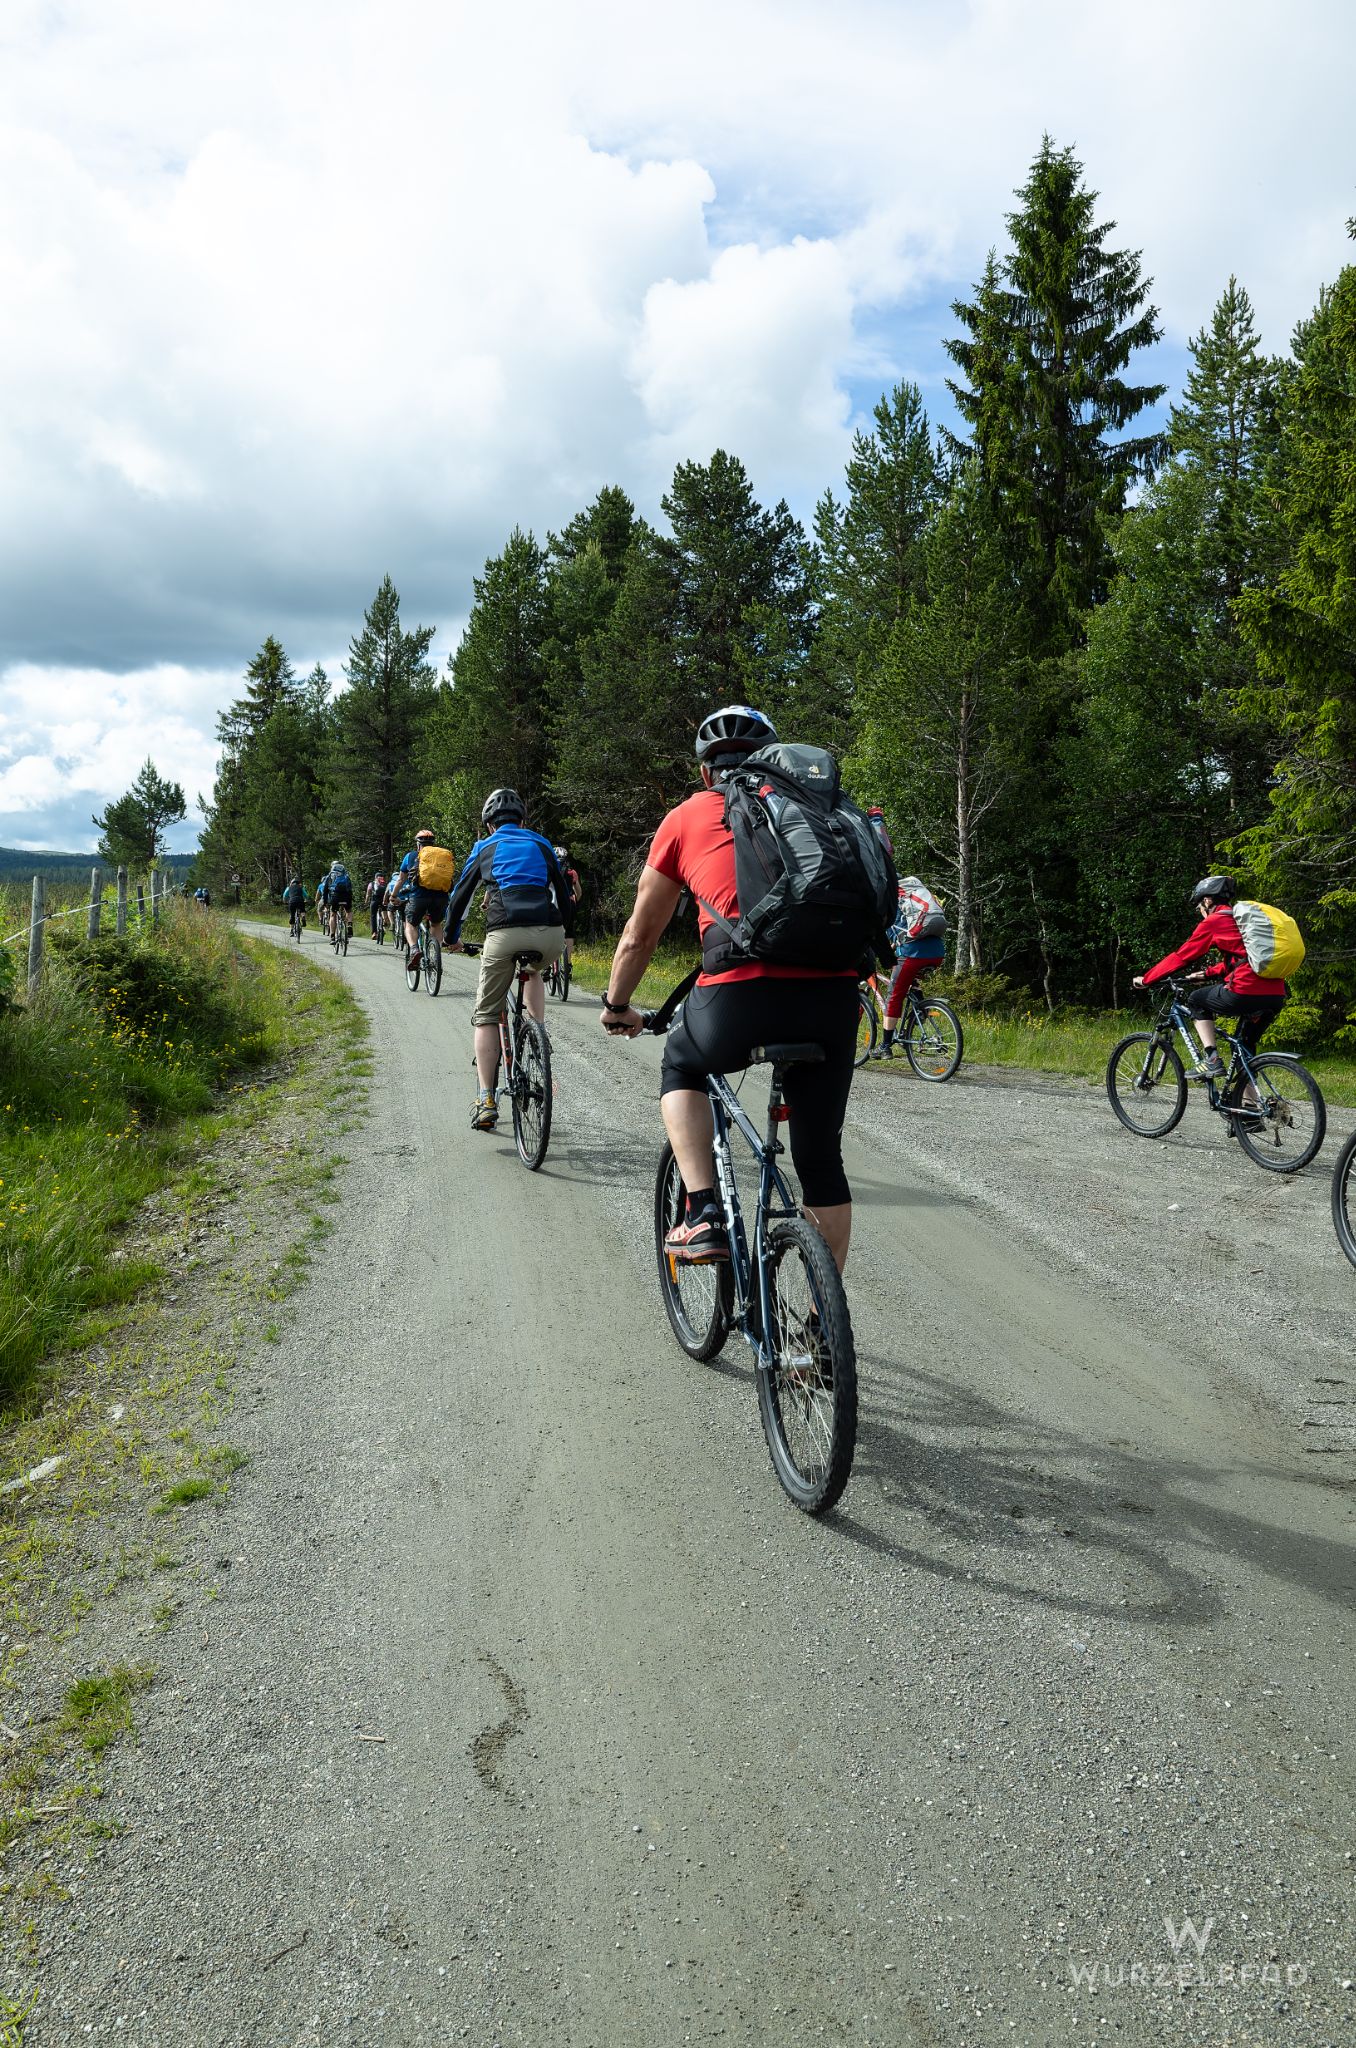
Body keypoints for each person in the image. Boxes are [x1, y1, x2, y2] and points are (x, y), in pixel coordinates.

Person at [598, 705, 863, 1274]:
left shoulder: (687, 816)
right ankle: (818, 1344)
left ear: (704, 773)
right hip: (837, 999)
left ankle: (702, 1212)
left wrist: (618, 1005)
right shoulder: (814, 810)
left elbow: (638, 937)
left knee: (681, 1065)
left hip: (741, 996)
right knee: (821, 1166)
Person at [446, 791, 571, 1131]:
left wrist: (451, 936)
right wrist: (567, 934)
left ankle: (486, 1098)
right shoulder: (542, 844)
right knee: (533, 971)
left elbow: (461, 896)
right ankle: (538, 1036)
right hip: (550, 933)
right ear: (523, 822)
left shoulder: (485, 847)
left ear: (489, 826)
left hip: (504, 933)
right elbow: (562, 891)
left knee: (486, 1014)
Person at [1133, 876, 1287, 1094]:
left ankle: (1212, 1059)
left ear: (1207, 901)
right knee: (1242, 1048)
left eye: (1199, 907)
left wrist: (1147, 979)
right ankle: (1252, 1111)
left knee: (1196, 1000)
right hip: (1275, 994)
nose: (1200, 912)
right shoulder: (1242, 922)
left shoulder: (1214, 921)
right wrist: (1207, 973)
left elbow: (1182, 957)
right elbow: (1241, 960)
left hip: (1245, 990)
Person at [877, 876, 946, 1058]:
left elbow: (891, 928)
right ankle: (920, 1008)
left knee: (893, 996)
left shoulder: (892, 897)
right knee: (910, 980)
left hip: (913, 953)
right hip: (938, 953)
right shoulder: (914, 891)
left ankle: (885, 1046)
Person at [394, 828, 450, 970]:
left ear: (418, 844)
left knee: (410, 923)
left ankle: (414, 949)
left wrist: (393, 896)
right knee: (436, 924)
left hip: (418, 897)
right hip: (441, 897)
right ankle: (436, 956)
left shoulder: (411, 856)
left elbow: (401, 879)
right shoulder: (442, 855)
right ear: (433, 843)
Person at [554, 846, 581, 963]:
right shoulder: (572, 872)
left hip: (554, 903)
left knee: (550, 929)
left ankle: (548, 965)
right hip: (569, 902)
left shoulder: (549, 870)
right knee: (569, 932)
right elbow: (578, 892)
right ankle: (568, 963)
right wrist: (575, 900)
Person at [328, 860, 354, 944]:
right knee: (349, 911)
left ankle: (332, 937)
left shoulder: (331, 876)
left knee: (333, 915)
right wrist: (350, 899)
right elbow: (350, 888)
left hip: (335, 897)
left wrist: (326, 901)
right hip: (346, 897)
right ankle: (349, 924)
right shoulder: (346, 875)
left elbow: (325, 890)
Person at [365, 869, 387, 940]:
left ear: (375, 877)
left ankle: (374, 932)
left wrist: (366, 901)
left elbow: (368, 893)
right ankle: (384, 923)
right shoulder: (385, 883)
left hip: (375, 901)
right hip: (384, 900)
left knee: (373, 916)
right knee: (384, 912)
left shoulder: (372, 883)